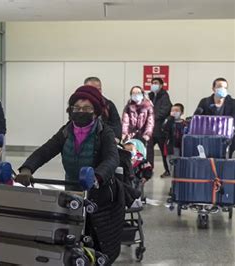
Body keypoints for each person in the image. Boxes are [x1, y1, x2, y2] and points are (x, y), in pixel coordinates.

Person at [15, 85, 124, 263]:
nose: (81, 112)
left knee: (96, 240)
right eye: (77, 108)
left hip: (100, 192)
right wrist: (28, 168)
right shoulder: (66, 131)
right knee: (72, 236)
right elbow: (46, 151)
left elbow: (112, 159)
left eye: (87, 108)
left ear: (96, 112)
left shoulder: (104, 132)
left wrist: (97, 176)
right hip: (73, 189)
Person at [194, 78, 235, 157]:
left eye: (225, 88)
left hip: (228, 140)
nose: (222, 89)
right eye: (220, 87)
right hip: (209, 139)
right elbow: (197, 118)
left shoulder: (233, 103)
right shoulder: (205, 102)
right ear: (213, 88)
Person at [147, 77, 172, 177]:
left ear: (161, 85)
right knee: (148, 151)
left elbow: (164, 111)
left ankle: (168, 170)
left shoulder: (165, 96)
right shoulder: (149, 96)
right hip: (150, 130)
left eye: (156, 83)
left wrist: (151, 117)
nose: (154, 84)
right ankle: (148, 169)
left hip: (161, 130)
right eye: (152, 83)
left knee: (164, 152)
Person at [84, 77, 122, 142]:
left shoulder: (108, 105)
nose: (96, 92)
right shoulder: (79, 105)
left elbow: (116, 124)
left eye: (99, 89)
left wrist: (116, 139)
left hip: (105, 141)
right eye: (92, 89)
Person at [162, 103, 187, 173]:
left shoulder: (185, 123)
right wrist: (170, 118)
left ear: (181, 112)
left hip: (182, 147)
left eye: (176, 110)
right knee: (173, 166)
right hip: (172, 147)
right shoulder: (169, 121)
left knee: (181, 167)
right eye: (172, 110)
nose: (174, 112)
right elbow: (164, 128)